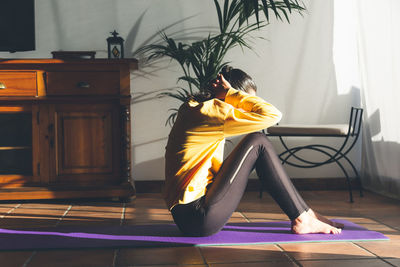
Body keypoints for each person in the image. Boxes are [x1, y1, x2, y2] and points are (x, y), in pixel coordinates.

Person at [164, 66, 343, 237]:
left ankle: (307, 214)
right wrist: (231, 94)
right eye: (244, 101)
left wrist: (232, 96)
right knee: (258, 141)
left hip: (188, 216)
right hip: (198, 218)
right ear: (227, 95)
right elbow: (273, 115)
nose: (246, 109)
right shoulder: (213, 113)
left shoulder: (196, 108)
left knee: (257, 141)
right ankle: (302, 218)